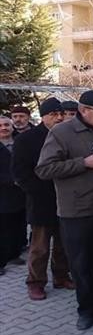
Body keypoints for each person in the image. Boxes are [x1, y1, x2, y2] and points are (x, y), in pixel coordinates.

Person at [35, 90, 93, 330]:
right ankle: (87, 309)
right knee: (81, 265)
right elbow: (44, 169)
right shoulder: (61, 132)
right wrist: (83, 163)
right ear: (84, 110)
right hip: (77, 211)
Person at [12, 98, 74, 300]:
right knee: (39, 247)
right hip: (40, 200)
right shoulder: (27, 139)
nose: (58, 118)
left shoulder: (66, 135)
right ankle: (36, 282)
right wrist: (36, 191)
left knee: (63, 243)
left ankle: (61, 276)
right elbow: (20, 173)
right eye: (53, 114)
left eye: (60, 114)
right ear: (43, 116)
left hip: (65, 199)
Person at [0, 115, 27, 275]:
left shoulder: (19, 143)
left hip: (20, 194)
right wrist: (12, 181)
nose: (4, 128)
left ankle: (14, 254)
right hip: (3, 193)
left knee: (18, 225)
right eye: (1, 125)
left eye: (6, 125)